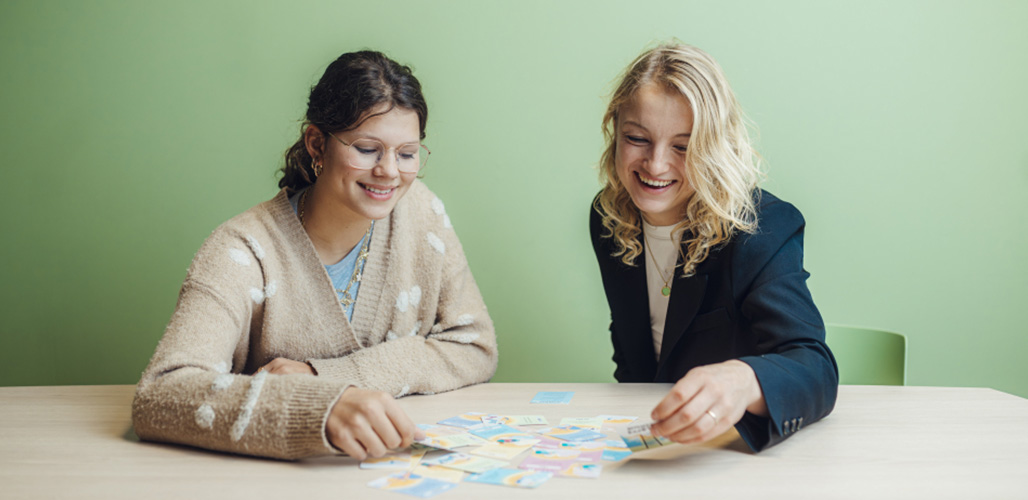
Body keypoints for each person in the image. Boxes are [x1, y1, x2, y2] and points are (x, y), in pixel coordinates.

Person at [132, 51, 497, 460]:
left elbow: (474, 347)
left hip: (385, 470)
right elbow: (160, 395)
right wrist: (318, 409)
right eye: (366, 149)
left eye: (407, 154)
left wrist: (322, 378)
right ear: (316, 143)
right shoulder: (243, 250)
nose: (390, 172)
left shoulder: (423, 214)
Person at [590, 42, 838, 452]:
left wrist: (744, 380)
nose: (655, 165)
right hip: (658, 443)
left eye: (683, 147)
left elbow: (814, 364)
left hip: (734, 452)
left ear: (714, 147)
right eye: (637, 138)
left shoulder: (763, 227)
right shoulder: (608, 216)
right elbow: (634, 350)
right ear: (615, 132)